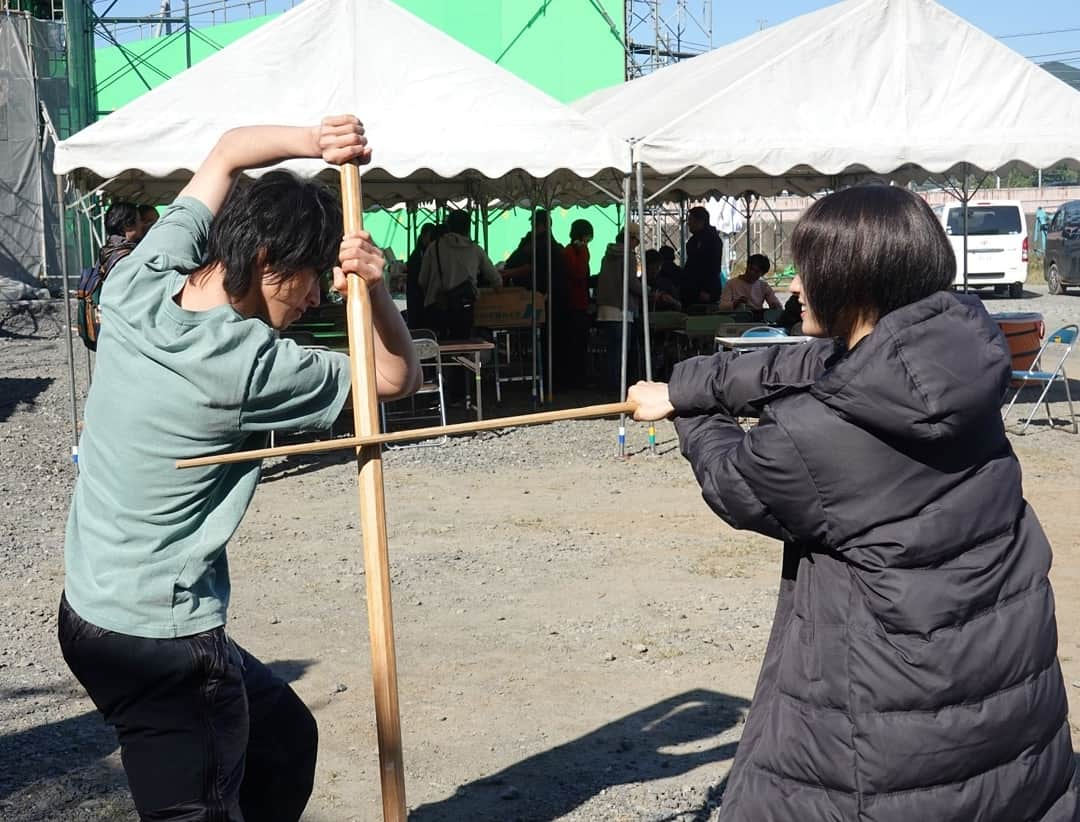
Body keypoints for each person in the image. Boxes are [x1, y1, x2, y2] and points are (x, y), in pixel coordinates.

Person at [629, 184, 1077, 821]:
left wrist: (680, 411)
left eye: (808, 271)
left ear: (854, 282)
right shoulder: (955, 355)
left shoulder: (824, 436)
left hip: (888, 724)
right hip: (1002, 682)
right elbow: (806, 364)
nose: (796, 287)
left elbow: (735, 480)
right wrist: (692, 380)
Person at [58, 115, 420, 822]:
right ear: (263, 257)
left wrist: (318, 143)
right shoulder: (248, 367)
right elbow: (395, 378)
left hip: (88, 610)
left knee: (283, 739)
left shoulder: (139, 283)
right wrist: (373, 290)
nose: (316, 298)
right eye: (312, 277)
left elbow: (226, 150)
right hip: (159, 642)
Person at [419, 209, 500, 341]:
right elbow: (496, 279)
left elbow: (422, 281)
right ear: (468, 228)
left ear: (449, 226)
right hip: (464, 309)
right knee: (462, 345)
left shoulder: (434, 247)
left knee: (439, 348)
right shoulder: (475, 250)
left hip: (438, 307)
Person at [595, 225, 642, 395]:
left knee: (611, 351)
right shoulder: (628, 256)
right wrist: (647, 290)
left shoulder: (607, 255)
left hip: (605, 309)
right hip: (621, 309)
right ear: (631, 239)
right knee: (621, 351)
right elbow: (631, 283)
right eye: (636, 240)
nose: (637, 244)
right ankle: (618, 388)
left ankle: (609, 385)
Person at [560, 218, 593, 387]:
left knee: (575, 343)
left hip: (574, 303)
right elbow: (579, 274)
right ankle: (577, 378)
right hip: (576, 303)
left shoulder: (568, 251)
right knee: (578, 343)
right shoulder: (575, 252)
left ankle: (575, 378)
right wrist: (583, 253)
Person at [680, 205, 724, 307]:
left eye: (691, 220)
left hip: (706, 289)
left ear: (700, 221)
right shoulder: (693, 241)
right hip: (693, 288)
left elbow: (713, 266)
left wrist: (707, 290)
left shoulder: (712, 240)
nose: (688, 223)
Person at [405, 222, 436, 328]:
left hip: (418, 294)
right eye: (429, 236)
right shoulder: (419, 254)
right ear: (423, 235)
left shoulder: (422, 251)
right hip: (417, 294)